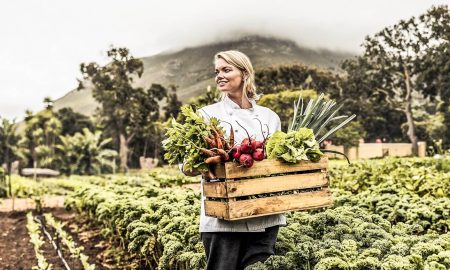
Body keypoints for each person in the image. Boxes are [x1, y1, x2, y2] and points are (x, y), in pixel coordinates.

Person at [180, 50, 286, 270]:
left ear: (244, 74)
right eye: (217, 71)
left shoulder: (269, 116)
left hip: (266, 216)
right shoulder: (206, 115)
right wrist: (203, 164)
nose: (220, 75)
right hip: (222, 221)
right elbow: (185, 166)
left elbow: (276, 163)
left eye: (227, 70)